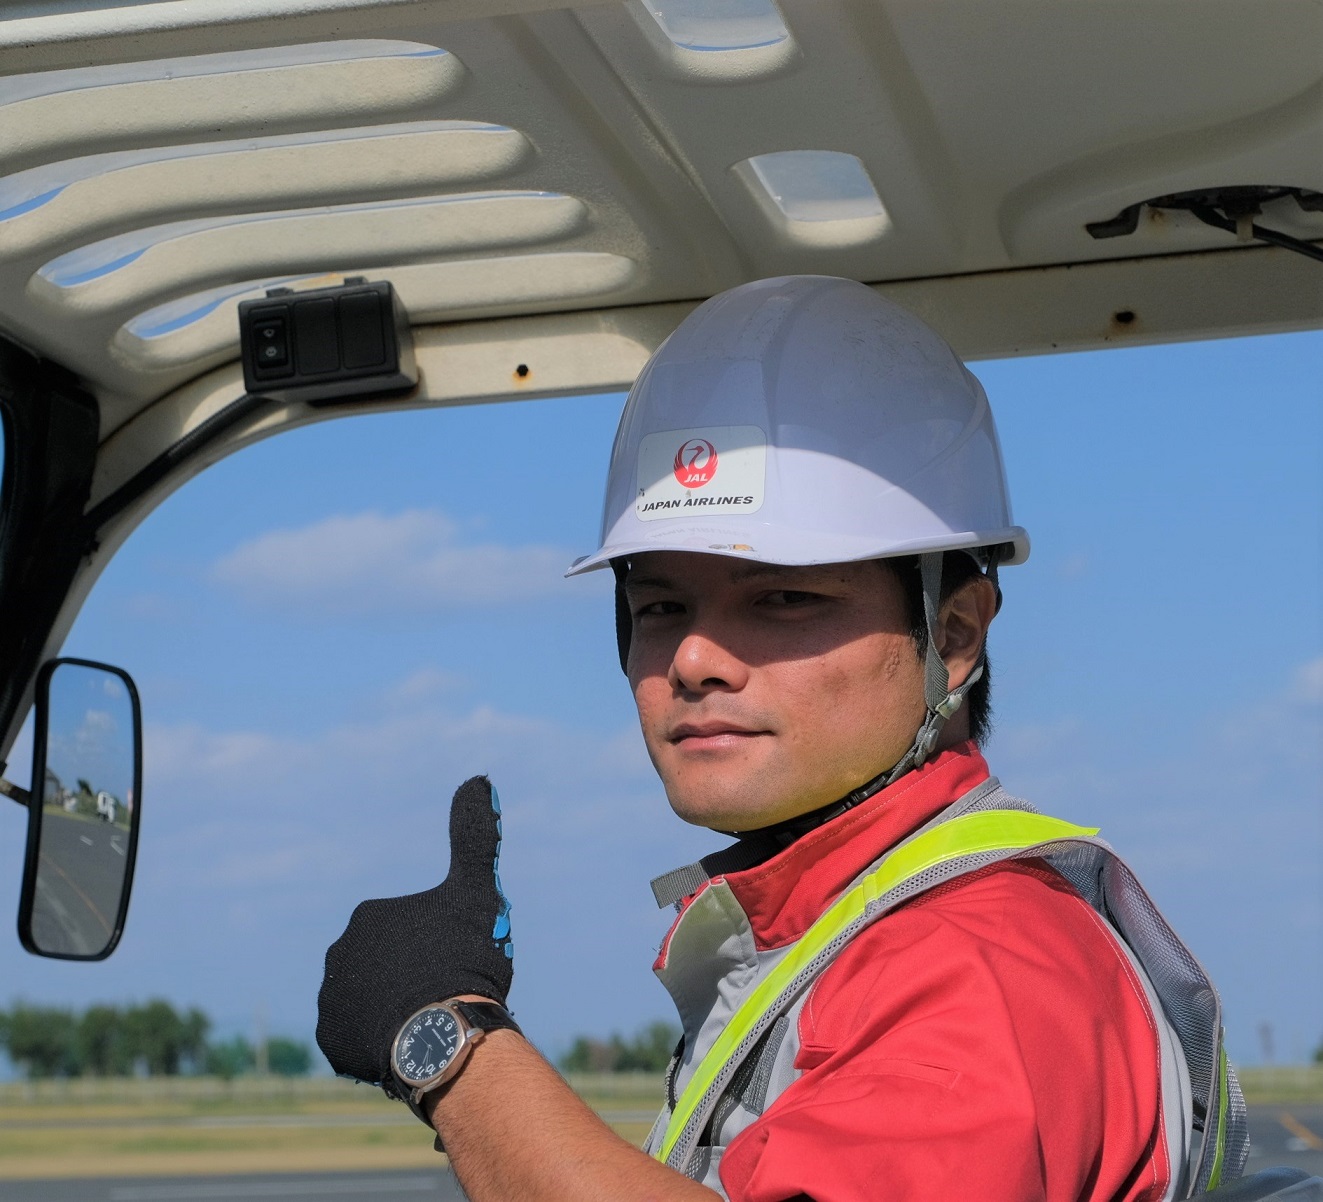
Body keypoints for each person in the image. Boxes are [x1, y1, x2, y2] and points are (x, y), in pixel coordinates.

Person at [315, 276, 1248, 1201]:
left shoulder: (974, 960)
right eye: (658, 606)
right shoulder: (843, 937)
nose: (692, 658)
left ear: (953, 635)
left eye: (783, 599)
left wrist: (450, 1045)